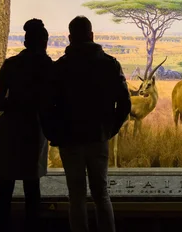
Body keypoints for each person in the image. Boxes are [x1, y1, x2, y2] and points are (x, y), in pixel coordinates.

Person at [47, 15, 131, 232]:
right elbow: (124, 103)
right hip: (98, 137)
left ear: (70, 37)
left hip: (69, 138)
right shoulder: (110, 64)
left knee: (76, 196)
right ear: (91, 35)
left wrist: (54, 134)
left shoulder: (60, 67)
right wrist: (109, 130)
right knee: (101, 194)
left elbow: (47, 106)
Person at [0, 18, 53, 232]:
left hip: (10, 130)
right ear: (44, 42)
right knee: (33, 189)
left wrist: (14, 104)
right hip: (35, 131)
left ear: (25, 42)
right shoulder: (48, 67)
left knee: (4, 187)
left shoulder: (11, 65)